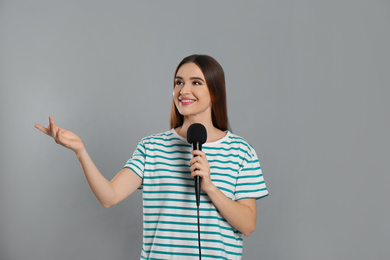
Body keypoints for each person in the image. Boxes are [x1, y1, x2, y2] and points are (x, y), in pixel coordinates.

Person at [35, 54, 269, 260]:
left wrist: (210, 187)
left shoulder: (241, 151)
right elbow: (109, 196)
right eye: (178, 82)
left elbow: (248, 225)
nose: (183, 90)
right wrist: (80, 151)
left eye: (196, 82)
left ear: (215, 92)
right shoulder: (152, 147)